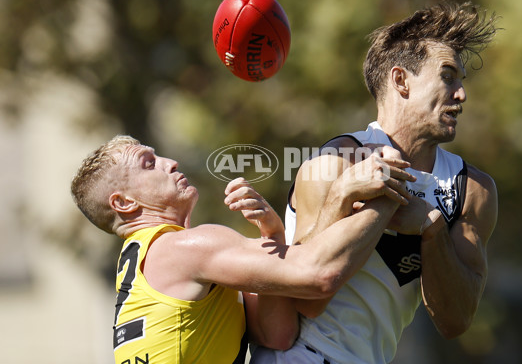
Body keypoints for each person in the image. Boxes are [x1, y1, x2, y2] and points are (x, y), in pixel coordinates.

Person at [251, 0, 500, 363]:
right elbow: (307, 302)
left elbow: (456, 320)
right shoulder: (334, 161)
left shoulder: (472, 190)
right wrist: (342, 196)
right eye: (448, 77)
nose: (461, 94)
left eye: (461, 81)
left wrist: (430, 229)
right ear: (401, 81)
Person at [70, 135, 415, 364]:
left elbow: (276, 335)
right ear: (124, 202)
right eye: (149, 163)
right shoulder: (183, 249)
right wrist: (380, 191)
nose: (169, 161)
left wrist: (274, 232)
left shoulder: (151, 259)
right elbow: (319, 275)